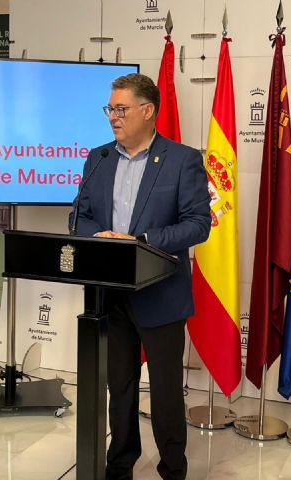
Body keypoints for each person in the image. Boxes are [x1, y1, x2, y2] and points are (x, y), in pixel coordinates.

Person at [69, 73, 211, 479]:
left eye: (121, 109)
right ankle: (120, 464)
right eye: (110, 109)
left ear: (147, 111)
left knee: (165, 392)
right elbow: (78, 216)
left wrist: (142, 241)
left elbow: (198, 224)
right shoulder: (98, 158)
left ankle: (173, 468)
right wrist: (99, 236)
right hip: (112, 295)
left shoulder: (182, 160)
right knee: (120, 386)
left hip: (161, 294)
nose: (113, 117)